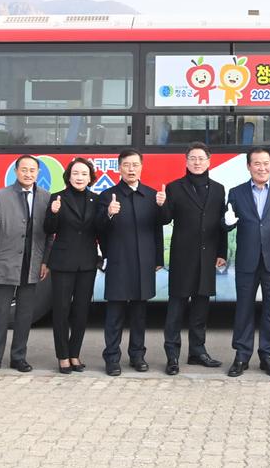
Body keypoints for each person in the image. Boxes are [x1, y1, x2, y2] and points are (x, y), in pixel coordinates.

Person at [224, 147, 270, 378]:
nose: (261, 168)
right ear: (248, 166)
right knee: (244, 309)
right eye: (256, 163)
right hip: (246, 260)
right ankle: (241, 356)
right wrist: (226, 222)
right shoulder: (236, 192)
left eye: (266, 163)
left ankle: (268, 356)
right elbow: (227, 223)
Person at [159, 142, 228, 375]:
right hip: (182, 257)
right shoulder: (174, 188)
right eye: (192, 158)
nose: (197, 162)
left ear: (209, 161)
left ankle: (198, 352)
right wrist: (161, 205)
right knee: (176, 309)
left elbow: (222, 224)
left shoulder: (218, 189)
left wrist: (221, 252)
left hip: (207, 256)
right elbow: (165, 219)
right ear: (186, 161)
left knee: (201, 308)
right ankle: (172, 355)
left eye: (201, 158)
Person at [0, 154, 51, 375]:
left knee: (24, 315)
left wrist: (45, 261)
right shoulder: (1, 195)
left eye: (32, 170)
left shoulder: (46, 198)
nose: (28, 174)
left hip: (32, 263)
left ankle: (19, 357)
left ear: (38, 173)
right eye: (24, 170)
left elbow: (50, 234)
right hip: (5, 263)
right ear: (16, 172)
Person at [97, 149, 166, 376]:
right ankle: (112, 358)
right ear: (119, 168)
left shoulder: (150, 195)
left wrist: (157, 259)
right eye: (126, 165)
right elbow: (98, 230)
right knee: (114, 314)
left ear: (141, 167)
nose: (131, 169)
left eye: (135, 165)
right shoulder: (108, 196)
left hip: (144, 262)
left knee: (139, 313)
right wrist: (108, 213)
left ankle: (137, 355)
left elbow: (158, 229)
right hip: (118, 261)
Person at [42, 158, 101, 374]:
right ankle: (62, 356)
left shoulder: (96, 199)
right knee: (61, 310)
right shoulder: (57, 198)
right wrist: (53, 213)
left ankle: (75, 353)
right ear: (69, 176)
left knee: (81, 311)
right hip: (62, 262)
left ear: (90, 177)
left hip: (87, 262)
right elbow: (49, 228)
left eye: (84, 174)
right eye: (75, 173)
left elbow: (100, 229)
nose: (79, 177)